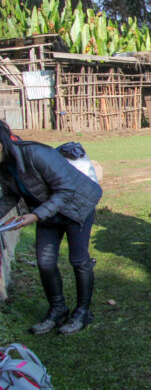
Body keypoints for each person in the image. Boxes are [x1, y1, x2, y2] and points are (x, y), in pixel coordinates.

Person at [0, 120, 102, 335]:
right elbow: (10, 195)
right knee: (45, 262)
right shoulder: (4, 165)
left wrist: (36, 215)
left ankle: (83, 312)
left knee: (79, 260)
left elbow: (66, 189)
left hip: (77, 207)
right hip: (47, 212)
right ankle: (58, 310)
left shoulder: (37, 153)